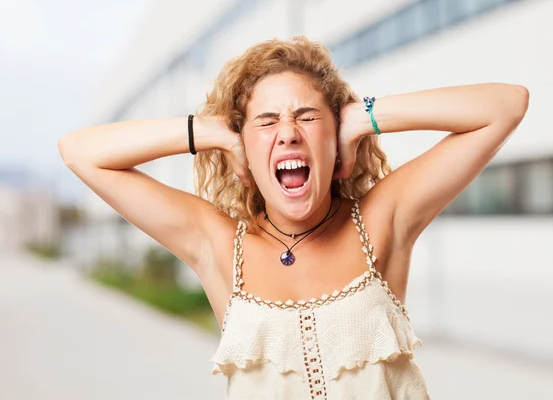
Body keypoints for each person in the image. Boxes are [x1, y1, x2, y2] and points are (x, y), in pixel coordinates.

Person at [58, 36, 529, 399]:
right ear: (245, 147)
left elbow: (505, 106)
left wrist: (364, 117)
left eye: (307, 116)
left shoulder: (383, 219)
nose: (287, 133)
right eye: (266, 122)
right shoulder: (218, 245)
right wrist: (215, 131)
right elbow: (80, 153)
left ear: (334, 136)